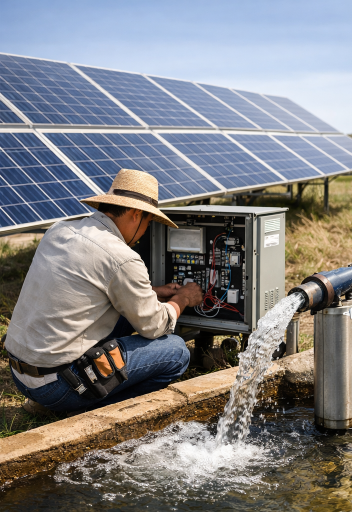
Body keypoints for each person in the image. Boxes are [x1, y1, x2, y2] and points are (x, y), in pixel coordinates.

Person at [5, 168, 204, 414]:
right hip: (58, 385)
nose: (144, 233)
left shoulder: (60, 230)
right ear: (135, 214)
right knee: (176, 351)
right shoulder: (122, 257)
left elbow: (83, 287)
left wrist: (151, 291)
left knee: (125, 313)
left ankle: (52, 402)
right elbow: (156, 326)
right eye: (148, 222)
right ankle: (83, 411)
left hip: (20, 375)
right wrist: (182, 299)